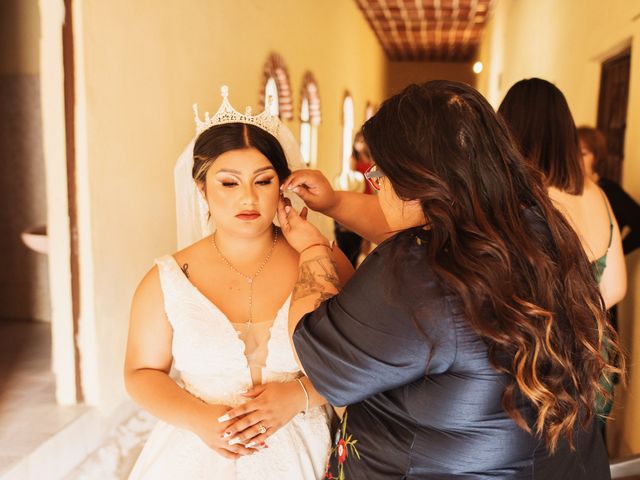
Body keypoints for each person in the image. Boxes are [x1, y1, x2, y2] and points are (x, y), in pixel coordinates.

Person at [269, 81, 622, 479]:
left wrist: (314, 250)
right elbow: (403, 222)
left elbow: (313, 350)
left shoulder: (417, 269)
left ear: (419, 177)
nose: (377, 184)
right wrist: (333, 202)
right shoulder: (535, 225)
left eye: (380, 173)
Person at [124, 87, 352, 479]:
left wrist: (299, 396)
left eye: (262, 181)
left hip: (302, 453)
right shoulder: (169, 278)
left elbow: (361, 362)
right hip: (195, 455)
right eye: (229, 183)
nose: (247, 197)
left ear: (282, 185)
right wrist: (199, 419)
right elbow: (141, 373)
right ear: (202, 190)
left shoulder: (322, 261)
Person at [498, 78, 627, 309]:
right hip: (590, 340)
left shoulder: (513, 195)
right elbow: (617, 287)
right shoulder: (596, 193)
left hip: (531, 342)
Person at [577, 126, 639, 257]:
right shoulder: (563, 189)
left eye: (583, 154)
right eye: (572, 153)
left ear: (596, 157)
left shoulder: (611, 191)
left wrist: (616, 254)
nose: (577, 159)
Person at [333, 130, 375, 267]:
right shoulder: (353, 159)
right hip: (358, 194)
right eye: (359, 141)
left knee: (367, 234)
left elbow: (373, 178)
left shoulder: (370, 159)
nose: (361, 144)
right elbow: (350, 179)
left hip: (368, 194)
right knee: (356, 230)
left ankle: (361, 259)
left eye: (364, 141)